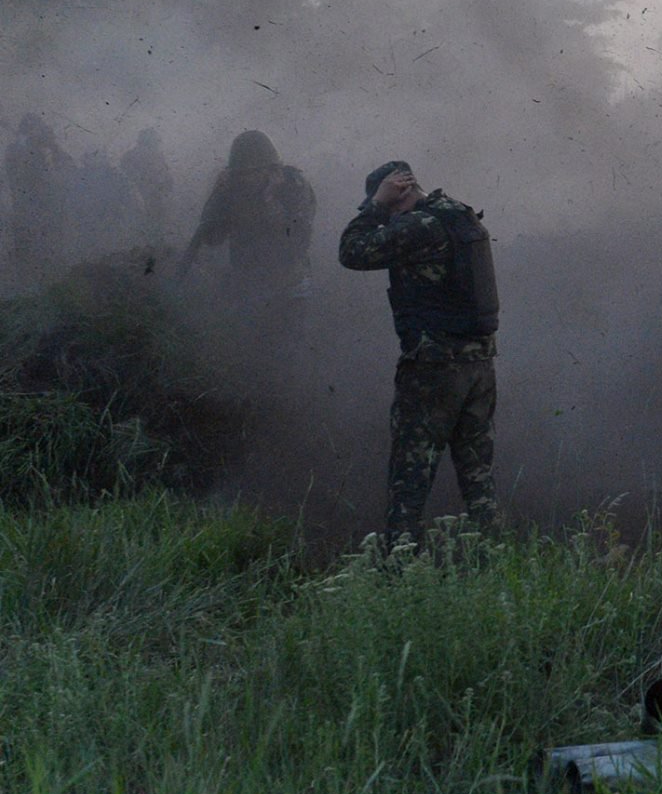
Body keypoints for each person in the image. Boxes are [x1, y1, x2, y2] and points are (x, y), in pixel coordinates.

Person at [338, 161, 500, 543]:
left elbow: (351, 251)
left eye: (391, 201)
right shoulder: (460, 216)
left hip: (434, 371)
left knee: (409, 485)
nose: (387, 214)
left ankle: (399, 569)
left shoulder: (419, 226)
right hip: (479, 367)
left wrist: (376, 205)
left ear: (402, 190)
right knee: (479, 484)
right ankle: (494, 562)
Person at [178, 130, 316, 339]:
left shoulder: (293, 188)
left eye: (251, 172)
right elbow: (211, 238)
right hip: (248, 285)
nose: (245, 179)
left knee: (287, 352)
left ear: (271, 170)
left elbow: (297, 241)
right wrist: (218, 194)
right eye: (240, 174)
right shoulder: (233, 190)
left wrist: (270, 202)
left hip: (288, 287)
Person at [7, 113, 72, 285]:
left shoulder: (47, 149)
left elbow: (66, 168)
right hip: (28, 208)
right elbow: (18, 175)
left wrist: (52, 146)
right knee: (30, 251)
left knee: (48, 248)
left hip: (46, 209)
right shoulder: (18, 150)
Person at [121, 128, 174, 245]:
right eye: (155, 141)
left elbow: (167, 178)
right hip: (139, 200)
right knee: (143, 230)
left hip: (154, 200)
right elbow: (127, 179)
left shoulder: (157, 156)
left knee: (152, 229)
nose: (156, 145)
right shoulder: (132, 157)